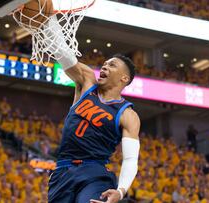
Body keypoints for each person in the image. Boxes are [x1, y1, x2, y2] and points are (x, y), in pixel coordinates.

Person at [43, 14, 141, 203]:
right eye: (104, 64)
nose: (104, 67)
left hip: (94, 173)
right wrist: (47, 21)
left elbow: (130, 159)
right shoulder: (87, 82)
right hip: (62, 171)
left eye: (111, 65)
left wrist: (120, 191)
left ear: (124, 79)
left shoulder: (128, 114)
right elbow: (63, 52)